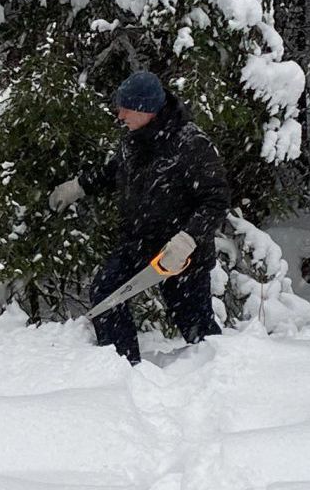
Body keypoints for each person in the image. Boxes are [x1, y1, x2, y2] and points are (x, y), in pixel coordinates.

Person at [49, 71, 230, 364]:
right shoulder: (133, 141)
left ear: (147, 109)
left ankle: (223, 376)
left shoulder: (191, 143)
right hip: (138, 244)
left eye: (126, 109)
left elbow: (216, 200)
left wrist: (187, 240)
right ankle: (122, 368)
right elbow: (114, 172)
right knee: (107, 294)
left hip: (181, 254)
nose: (120, 116)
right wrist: (79, 187)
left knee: (196, 327)